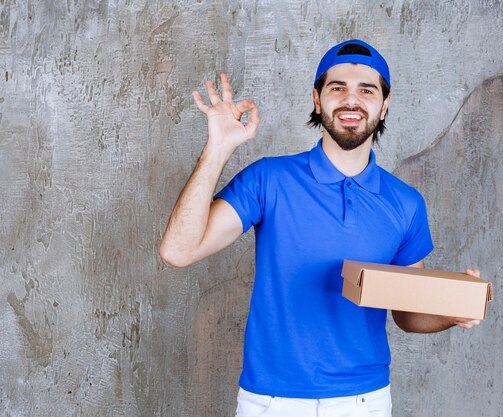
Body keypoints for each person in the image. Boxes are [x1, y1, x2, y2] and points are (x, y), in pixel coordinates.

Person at [160, 39, 481, 417]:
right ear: (317, 99)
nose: (351, 100)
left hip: (364, 401)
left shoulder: (405, 203)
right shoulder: (269, 179)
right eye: (337, 87)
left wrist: (452, 310)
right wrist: (218, 147)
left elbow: (407, 314)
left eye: (366, 90)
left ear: (384, 105)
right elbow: (178, 251)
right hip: (271, 401)